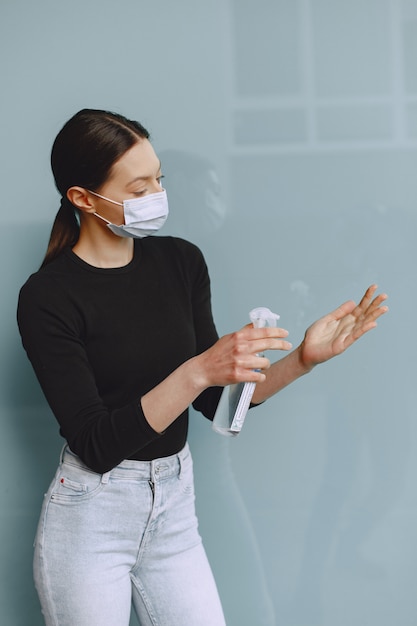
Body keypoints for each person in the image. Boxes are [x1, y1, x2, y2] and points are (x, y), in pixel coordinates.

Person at [17, 108, 388, 626]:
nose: (157, 197)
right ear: (82, 198)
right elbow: (95, 444)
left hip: (174, 507)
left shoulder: (181, 262)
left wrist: (302, 360)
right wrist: (197, 370)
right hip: (91, 517)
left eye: (159, 181)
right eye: (138, 186)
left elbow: (216, 401)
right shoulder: (48, 297)